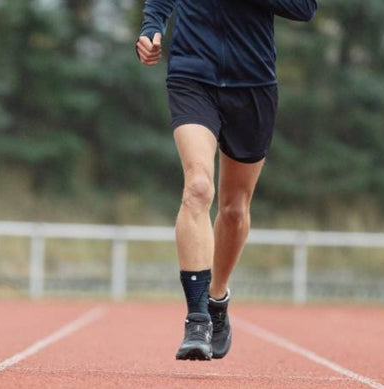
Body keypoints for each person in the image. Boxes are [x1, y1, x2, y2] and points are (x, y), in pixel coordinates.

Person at [137, 0, 316, 360]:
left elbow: (304, 9)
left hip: (253, 84)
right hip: (192, 74)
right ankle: (197, 318)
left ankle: (217, 298)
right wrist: (151, 27)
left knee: (234, 210)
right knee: (198, 187)